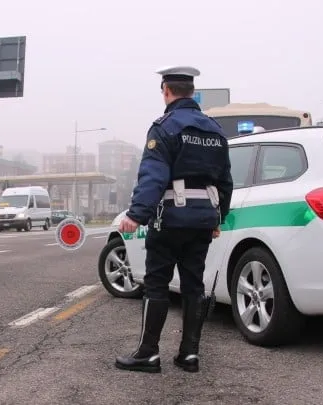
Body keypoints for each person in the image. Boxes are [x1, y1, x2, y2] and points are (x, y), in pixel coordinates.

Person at [114, 66, 233, 374]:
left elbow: (153, 177)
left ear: (166, 91)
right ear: (192, 92)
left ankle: (148, 354)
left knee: (156, 284)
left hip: (169, 219)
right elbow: (225, 181)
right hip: (203, 221)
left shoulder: (164, 127)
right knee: (194, 285)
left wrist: (136, 215)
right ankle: (189, 355)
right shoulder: (215, 130)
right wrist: (218, 217)